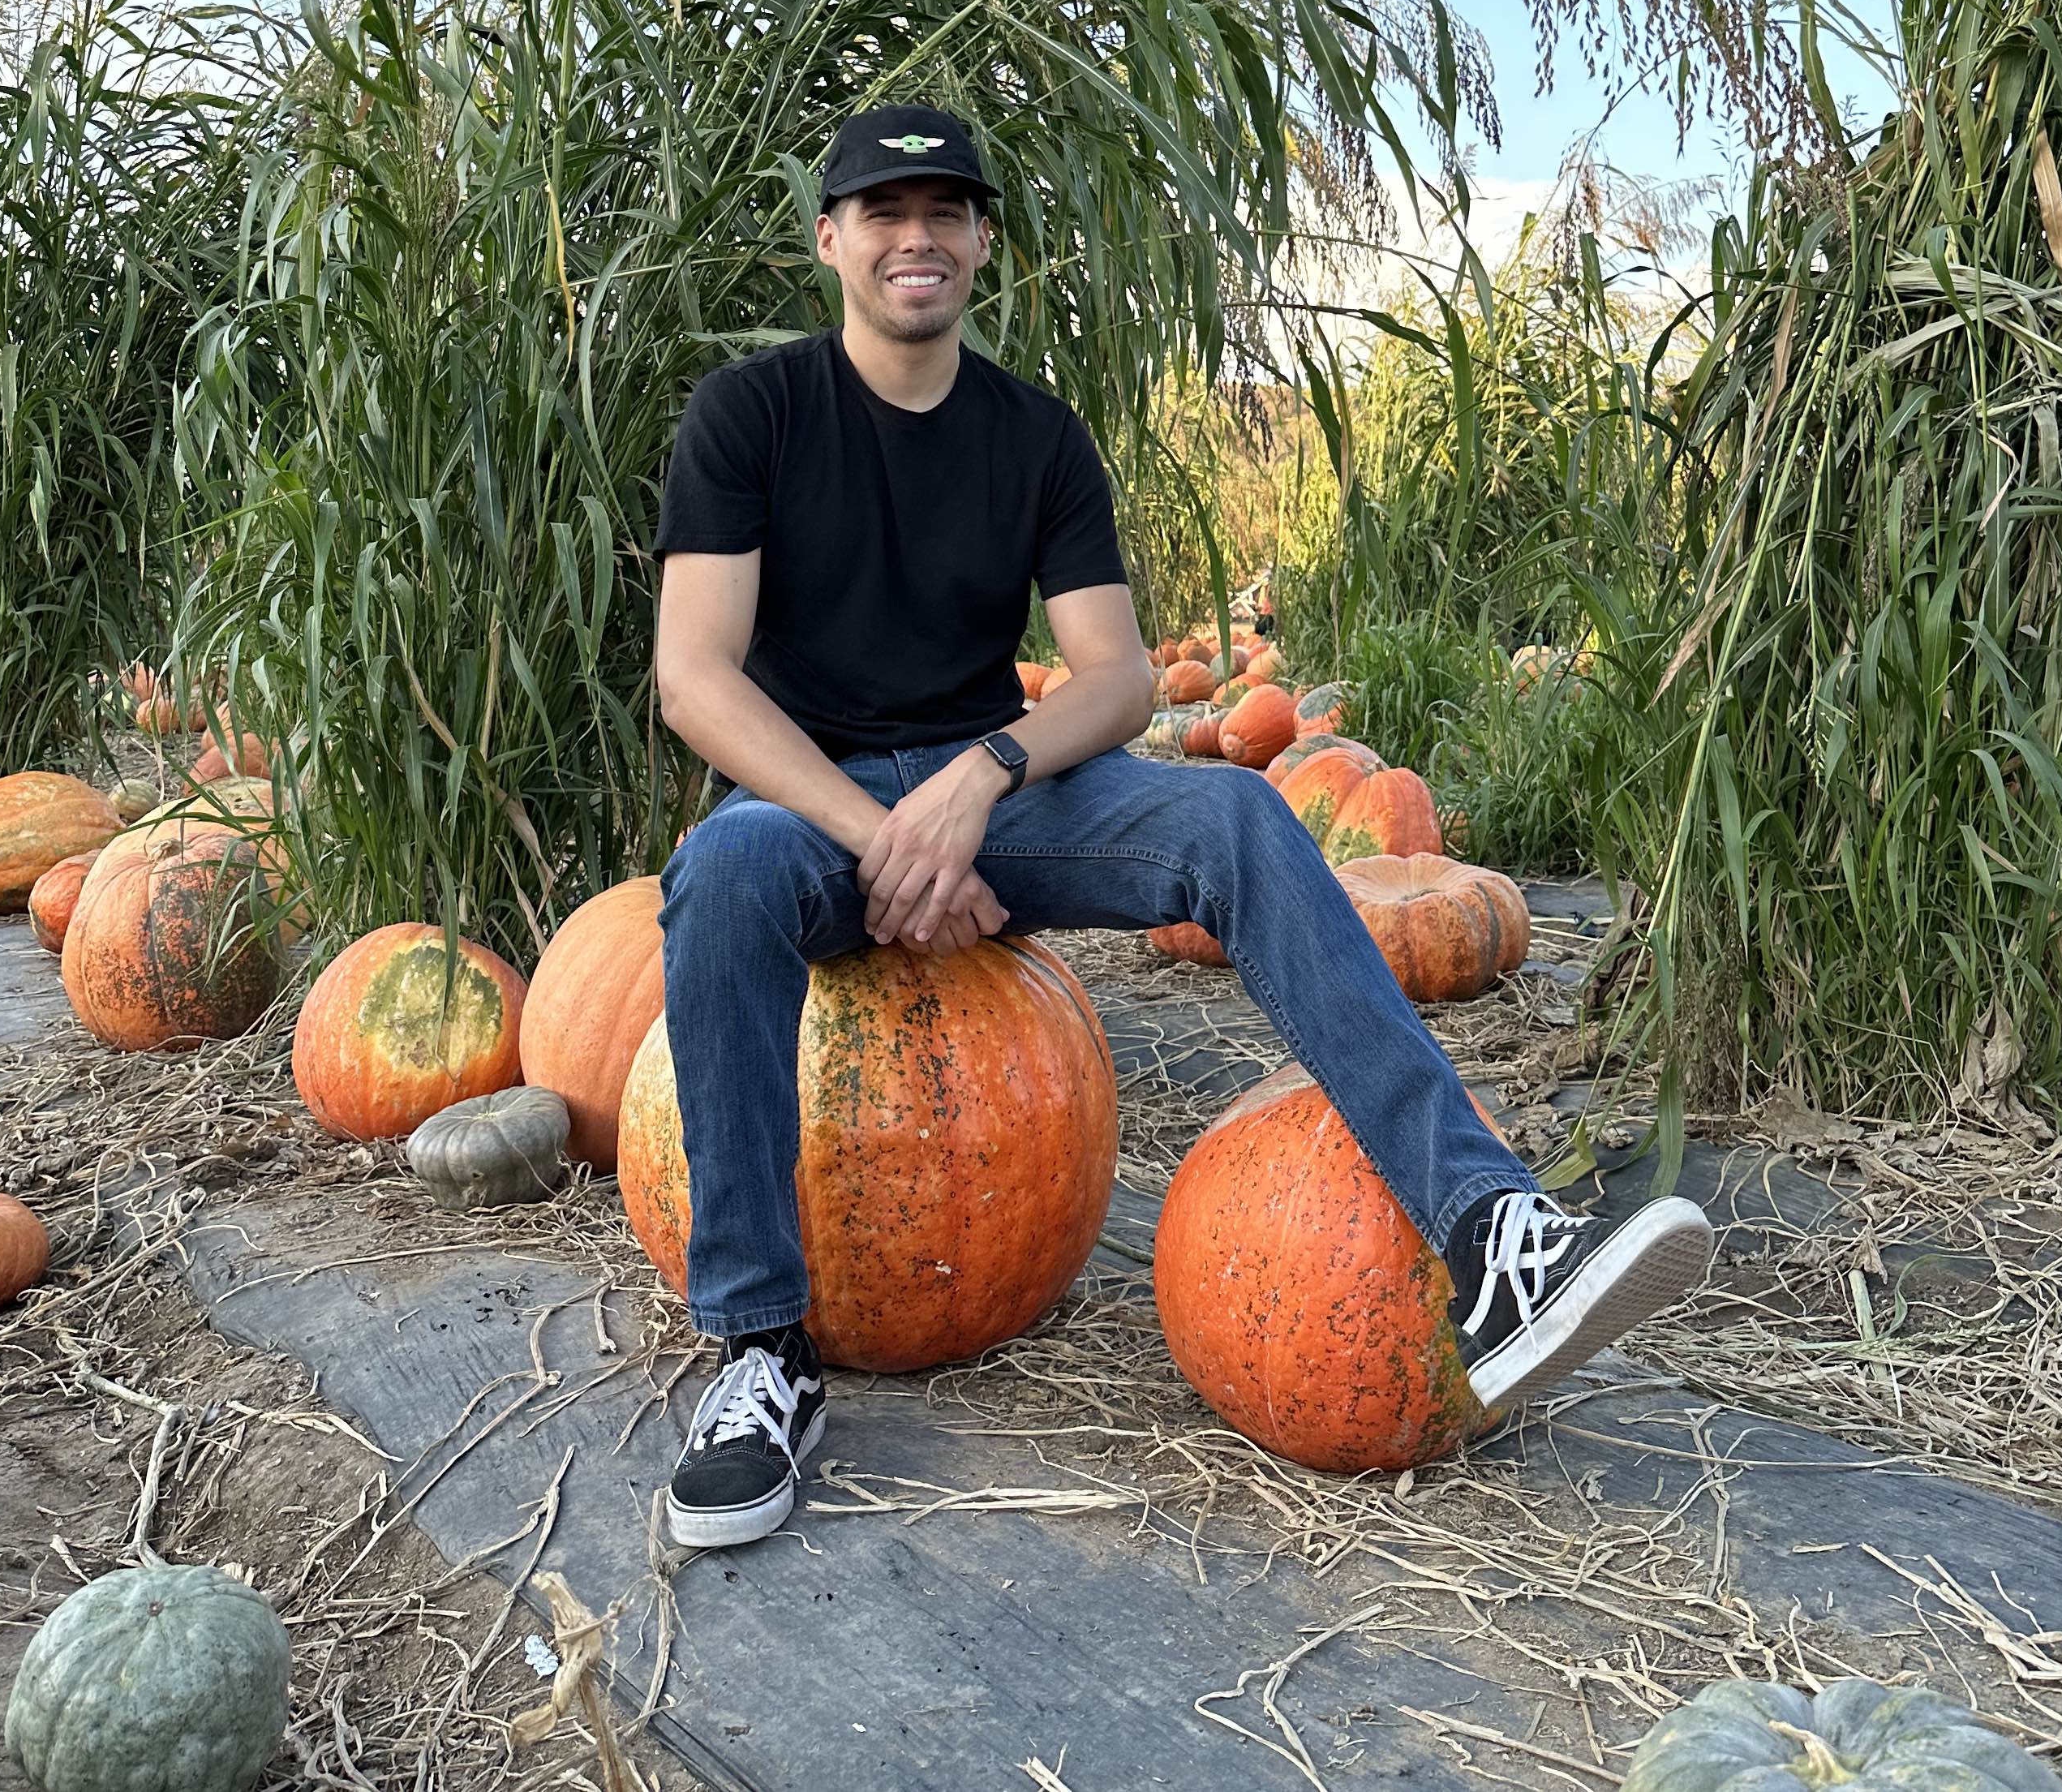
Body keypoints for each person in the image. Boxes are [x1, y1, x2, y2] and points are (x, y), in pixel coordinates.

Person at [648, 103, 1712, 1550]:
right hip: (805, 808)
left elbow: (1120, 678)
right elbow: (694, 673)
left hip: (993, 795)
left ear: (979, 248)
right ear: (830, 239)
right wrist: (884, 829)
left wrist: (976, 783)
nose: (917, 236)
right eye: (883, 211)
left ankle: (1491, 1233)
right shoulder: (751, 414)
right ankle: (762, 1352)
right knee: (717, 873)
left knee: (1231, 810)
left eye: (946, 211)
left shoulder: (1032, 435)